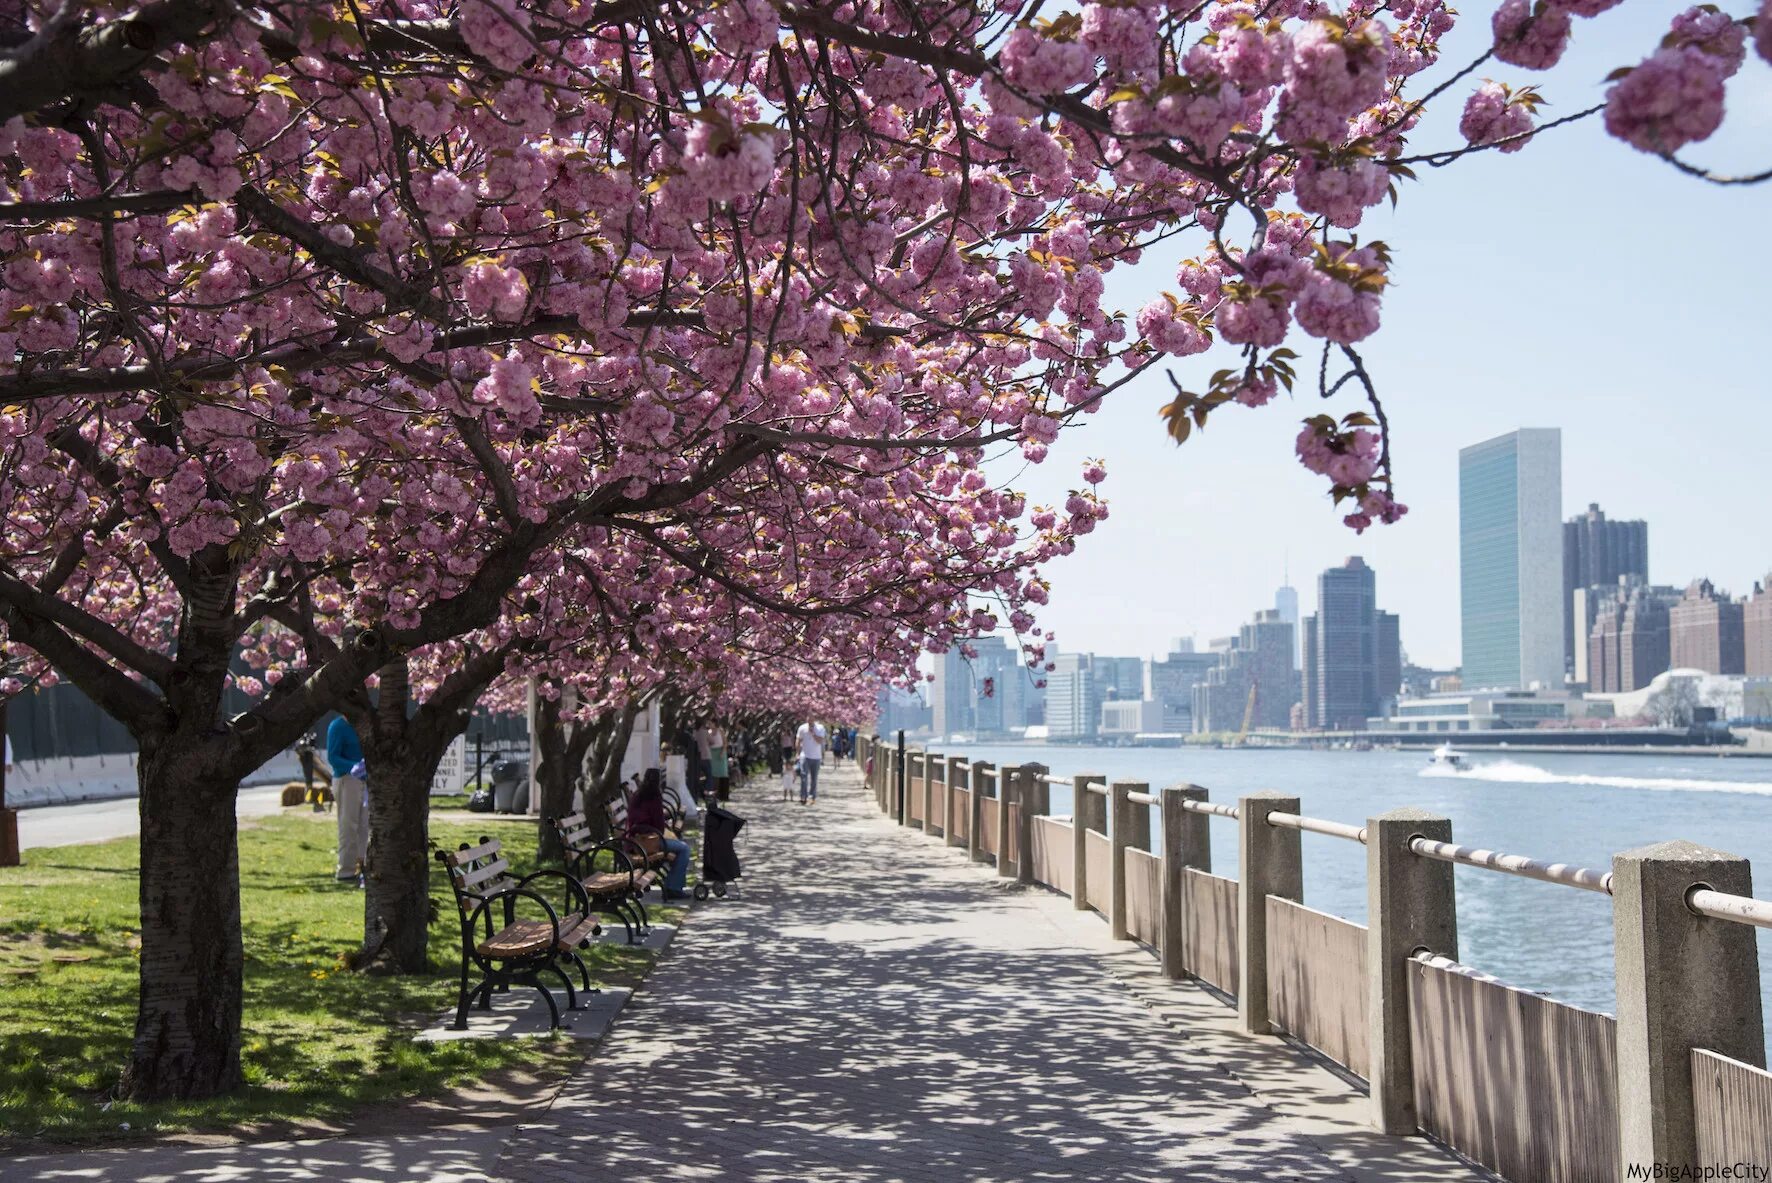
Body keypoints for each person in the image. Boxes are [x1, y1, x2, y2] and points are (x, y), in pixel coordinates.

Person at [629, 768, 692, 901]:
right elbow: (659, 826)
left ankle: (673, 885)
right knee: (684, 849)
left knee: (678, 849)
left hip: (634, 842)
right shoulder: (655, 796)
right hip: (650, 843)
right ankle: (673, 888)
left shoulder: (637, 795)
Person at [326, 713, 368, 884]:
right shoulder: (338, 726)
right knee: (348, 825)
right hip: (346, 779)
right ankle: (346, 870)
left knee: (365, 826)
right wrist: (354, 767)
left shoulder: (364, 723)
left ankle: (364, 865)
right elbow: (333, 757)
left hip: (366, 778)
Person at [795, 718, 826, 804]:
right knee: (803, 776)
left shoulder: (820, 728)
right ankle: (803, 796)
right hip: (804, 756)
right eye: (808, 717)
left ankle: (812, 796)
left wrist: (813, 734)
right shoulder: (802, 728)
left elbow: (820, 741)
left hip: (816, 757)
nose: (810, 719)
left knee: (814, 778)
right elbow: (798, 740)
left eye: (811, 717)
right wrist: (797, 753)